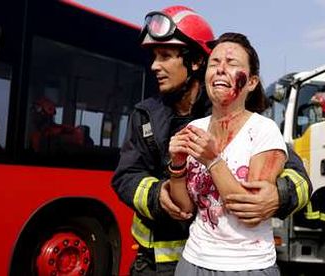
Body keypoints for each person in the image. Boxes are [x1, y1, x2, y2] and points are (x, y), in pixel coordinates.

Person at [112, 6, 310, 276]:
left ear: (195, 62)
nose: (155, 66)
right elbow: (126, 176)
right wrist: (158, 194)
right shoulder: (145, 116)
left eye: (166, 56)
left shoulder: (234, 111)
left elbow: (296, 174)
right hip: (157, 262)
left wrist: (279, 195)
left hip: (231, 263)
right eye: (155, 57)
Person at [169, 32, 285, 275]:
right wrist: (177, 165)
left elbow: (250, 213)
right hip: (193, 261)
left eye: (231, 63)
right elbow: (185, 208)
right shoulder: (194, 129)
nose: (221, 69)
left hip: (248, 266)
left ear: (251, 82)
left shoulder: (264, 131)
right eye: (214, 63)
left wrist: (212, 160)